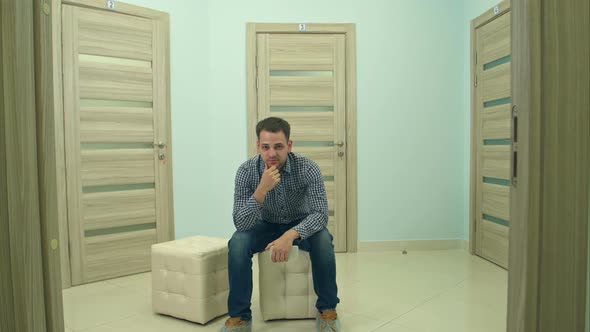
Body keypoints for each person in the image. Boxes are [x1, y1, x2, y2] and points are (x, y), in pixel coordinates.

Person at [221, 117, 341, 332]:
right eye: (265, 147)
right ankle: (239, 317)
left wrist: (290, 235)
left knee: (323, 239)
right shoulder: (246, 171)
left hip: (300, 223)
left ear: (289, 145)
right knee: (238, 242)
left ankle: (327, 310)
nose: (272, 154)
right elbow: (241, 222)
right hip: (265, 224)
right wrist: (261, 190)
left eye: (278, 146)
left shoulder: (308, 168)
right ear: (258, 146)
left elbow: (320, 215)